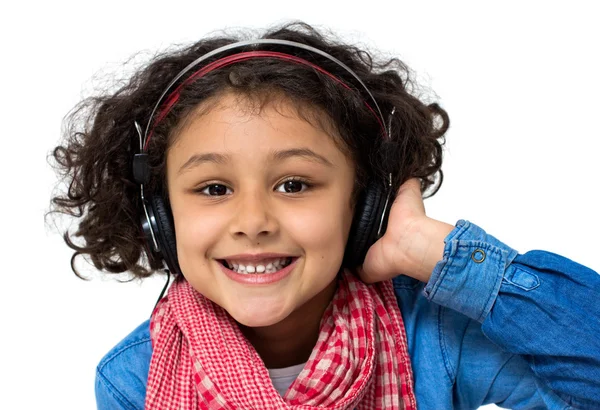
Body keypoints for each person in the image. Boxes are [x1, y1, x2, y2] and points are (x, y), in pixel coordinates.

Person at [49, 22, 600, 409]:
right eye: (213, 188)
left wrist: (436, 253)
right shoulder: (131, 380)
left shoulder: (434, 343)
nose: (253, 220)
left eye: (295, 184)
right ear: (160, 216)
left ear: (363, 206)